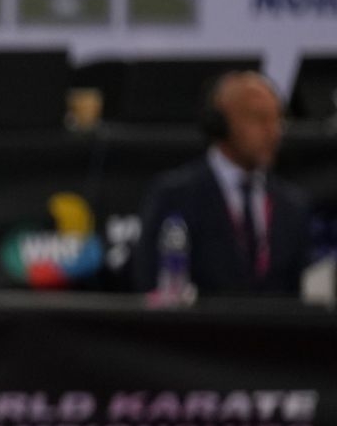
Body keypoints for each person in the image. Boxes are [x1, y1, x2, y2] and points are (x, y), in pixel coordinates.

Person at [132, 71, 312, 297]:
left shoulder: (292, 206)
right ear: (220, 124)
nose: (273, 131)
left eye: (278, 119)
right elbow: (151, 285)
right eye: (259, 118)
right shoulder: (174, 196)